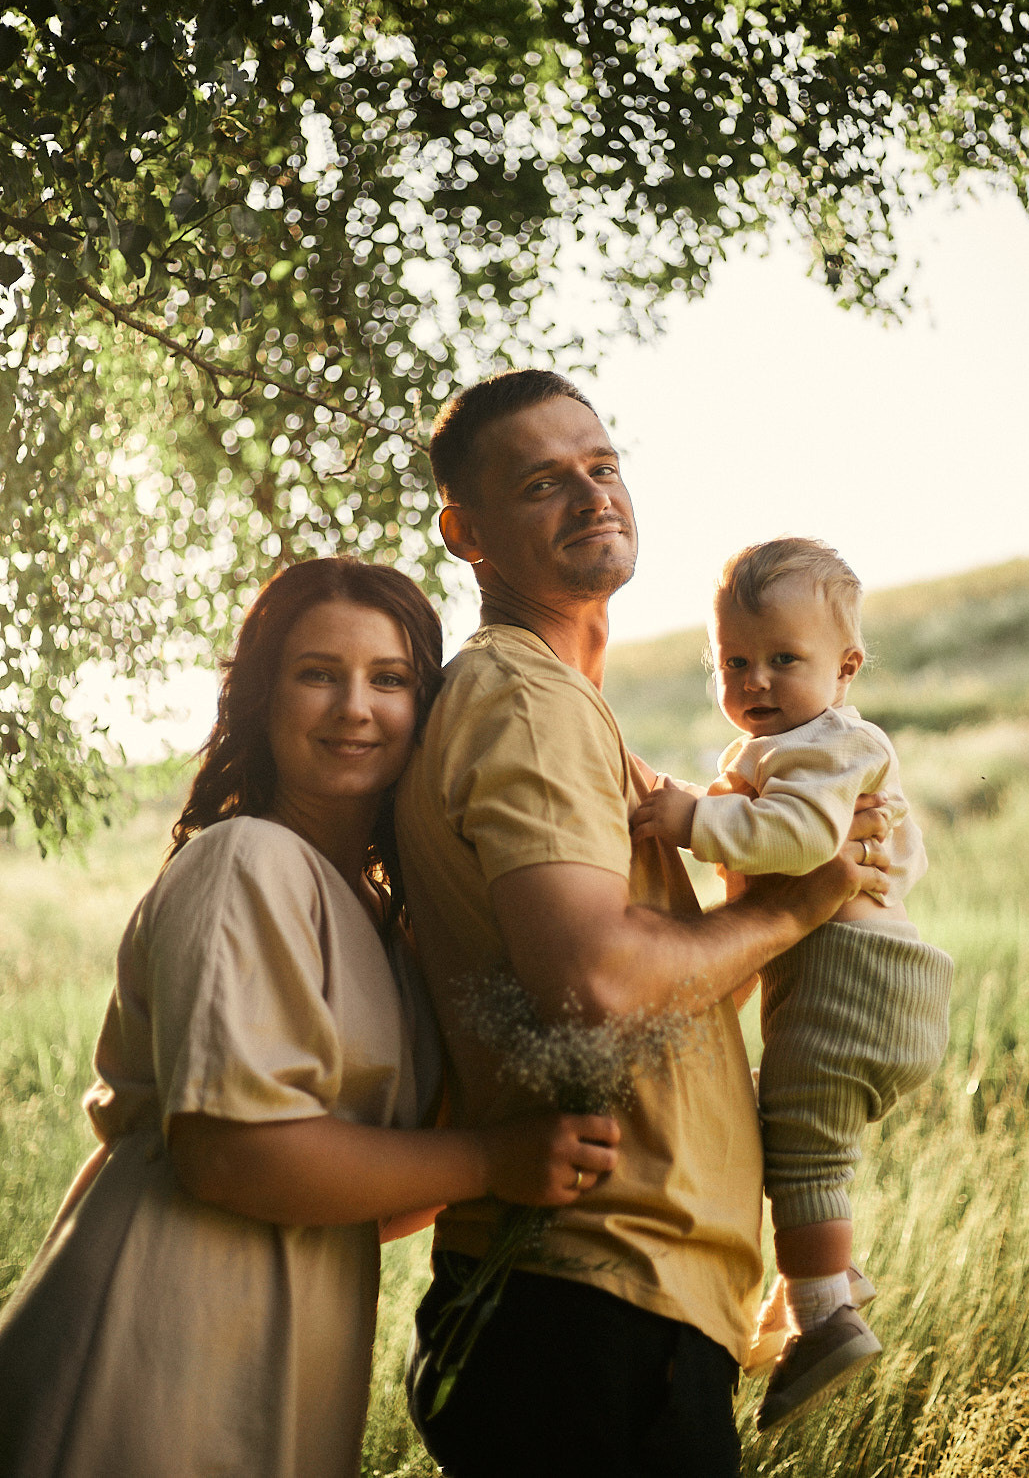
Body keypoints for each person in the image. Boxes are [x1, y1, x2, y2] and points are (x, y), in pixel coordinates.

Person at [0, 557, 619, 1478]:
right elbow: (235, 1152)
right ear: (262, 698)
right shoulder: (243, 861)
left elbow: (369, 1189)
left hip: (296, 1333)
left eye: (391, 679)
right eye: (318, 673)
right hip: (162, 1324)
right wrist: (494, 1159)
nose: (355, 707)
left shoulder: (383, 923)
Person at [394, 372, 892, 1478]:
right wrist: (805, 898)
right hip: (587, 1309)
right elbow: (597, 982)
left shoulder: (570, 709)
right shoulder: (526, 701)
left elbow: (646, 972)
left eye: (602, 466)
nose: (591, 495)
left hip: (620, 1307)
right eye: (543, 482)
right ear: (464, 533)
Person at [631, 537, 953, 1433]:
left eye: (784, 660)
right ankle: (830, 1274)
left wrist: (694, 818)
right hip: (882, 990)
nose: (757, 681)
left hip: (855, 983)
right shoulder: (818, 749)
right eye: (735, 661)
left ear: (844, 669)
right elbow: (891, 849)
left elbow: (805, 840)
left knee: (800, 1144)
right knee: (794, 1132)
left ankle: (824, 1314)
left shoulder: (826, 745)